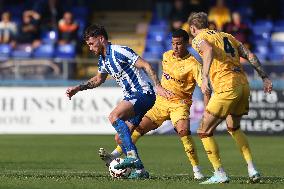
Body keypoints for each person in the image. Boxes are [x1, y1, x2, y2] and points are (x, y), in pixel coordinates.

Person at [66, 24, 172, 178]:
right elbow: (98, 79)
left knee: (113, 116)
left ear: (101, 39)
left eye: (91, 43)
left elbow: (146, 65)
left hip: (143, 93)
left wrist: (158, 86)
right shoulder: (103, 60)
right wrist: (78, 88)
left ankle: (132, 157)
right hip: (133, 96)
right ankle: (140, 171)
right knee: (120, 138)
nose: (89, 48)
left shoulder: (120, 51)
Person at [99, 29, 207, 180]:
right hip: (160, 103)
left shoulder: (194, 64)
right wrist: (159, 87)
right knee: (137, 129)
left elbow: (203, 84)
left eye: (179, 44)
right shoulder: (166, 56)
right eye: (173, 44)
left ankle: (197, 170)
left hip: (179, 104)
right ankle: (116, 154)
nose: (175, 47)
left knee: (183, 132)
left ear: (186, 44)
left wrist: (206, 90)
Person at [188, 12, 273, 184]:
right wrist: (264, 77)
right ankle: (252, 169)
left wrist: (204, 77)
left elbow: (209, 50)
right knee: (233, 128)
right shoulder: (227, 35)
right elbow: (250, 55)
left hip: (226, 87)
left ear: (192, 28)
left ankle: (219, 173)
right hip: (243, 85)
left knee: (203, 131)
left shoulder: (198, 39)